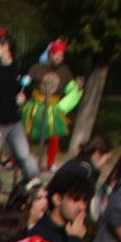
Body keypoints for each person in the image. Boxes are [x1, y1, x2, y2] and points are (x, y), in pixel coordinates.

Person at [0, 32, 40, 181]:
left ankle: (35, 183)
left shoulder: (19, 67)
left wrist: (25, 95)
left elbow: (27, 86)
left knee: (25, 156)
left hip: (14, 122)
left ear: (6, 47)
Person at [21, 39, 81, 170]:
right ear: (50, 54)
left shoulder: (65, 71)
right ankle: (20, 160)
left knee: (54, 135)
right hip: (36, 104)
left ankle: (51, 163)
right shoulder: (38, 68)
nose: (59, 58)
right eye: (56, 55)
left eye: (61, 55)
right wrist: (24, 84)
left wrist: (74, 91)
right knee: (26, 133)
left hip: (52, 107)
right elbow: (27, 83)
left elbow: (71, 89)